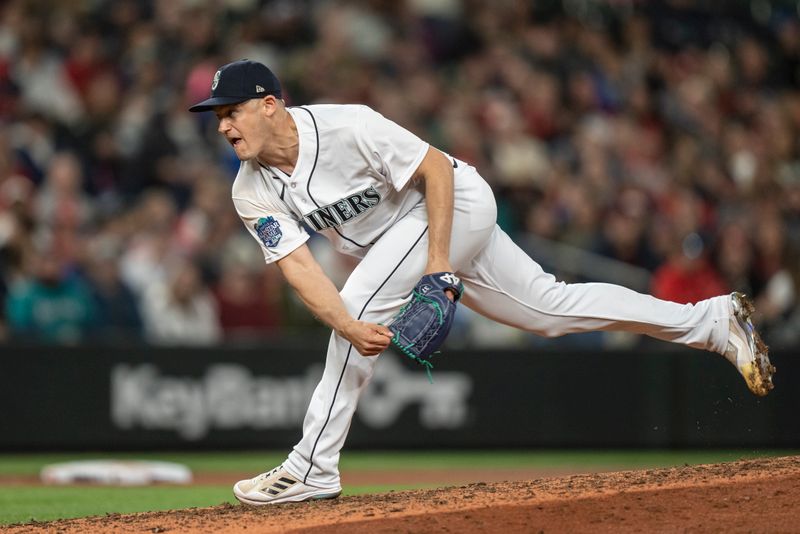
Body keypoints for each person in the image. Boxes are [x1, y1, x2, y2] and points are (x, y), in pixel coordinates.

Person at [188, 60, 775, 505]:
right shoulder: (251, 189)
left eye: (231, 111)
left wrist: (439, 264)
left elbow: (436, 168)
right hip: (407, 239)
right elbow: (296, 265)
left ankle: (312, 466)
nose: (224, 126)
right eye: (217, 117)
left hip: (454, 204)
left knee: (362, 300)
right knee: (550, 309)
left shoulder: (347, 127)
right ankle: (710, 320)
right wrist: (344, 324)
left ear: (269, 105)